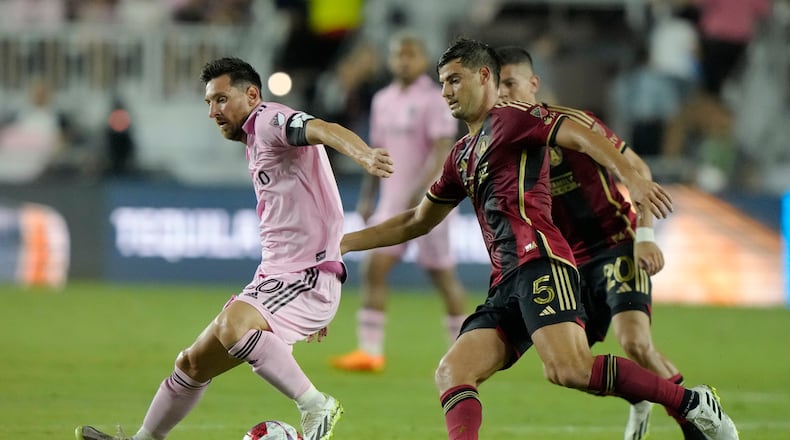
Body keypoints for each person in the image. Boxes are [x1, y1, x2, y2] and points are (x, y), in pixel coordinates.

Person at [340, 37, 738, 440]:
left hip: (541, 262)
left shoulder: (513, 119)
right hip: (505, 283)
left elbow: (583, 136)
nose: (446, 92)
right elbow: (416, 220)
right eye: (442, 82)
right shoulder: (460, 155)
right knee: (452, 371)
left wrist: (632, 177)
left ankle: (690, 403)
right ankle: (677, 402)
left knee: (570, 369)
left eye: (455, 80)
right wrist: (344, 243)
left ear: (484, 76)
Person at [74, 57, 394, 440]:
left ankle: (316, 405)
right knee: (192, 364)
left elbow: (323, 128)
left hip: (304, 276)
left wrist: (363, 155)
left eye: (221, 99)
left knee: (233, 326)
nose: (213, 112)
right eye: (208, 103)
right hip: (280, 276)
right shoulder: (255, 139)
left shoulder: (269, 120)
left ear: (252, 95)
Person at [496, 45, 706, 440]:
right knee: (566, 369)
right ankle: (639, 394)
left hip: (615, 244)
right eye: (499, 86)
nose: (505, 95)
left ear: (533, 84)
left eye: (512, 83)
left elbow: (636, 168)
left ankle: (698, 422)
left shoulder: (575, 125)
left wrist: (644, 236)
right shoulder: (503, 144)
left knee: (635, 343)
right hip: (568, 263)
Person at [330, 31, 467, 372]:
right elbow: (374, 154)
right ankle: (370, 352)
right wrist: (367, 197)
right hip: (391, 203)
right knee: (374, 269)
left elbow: (441, 151)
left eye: (410, 55)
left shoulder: (436, 99)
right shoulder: (382, 100)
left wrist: (423, 191)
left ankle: (463, 354)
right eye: (397, 55)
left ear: (422, 60)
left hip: (431, 204)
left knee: (443, 276)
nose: (403, 61)